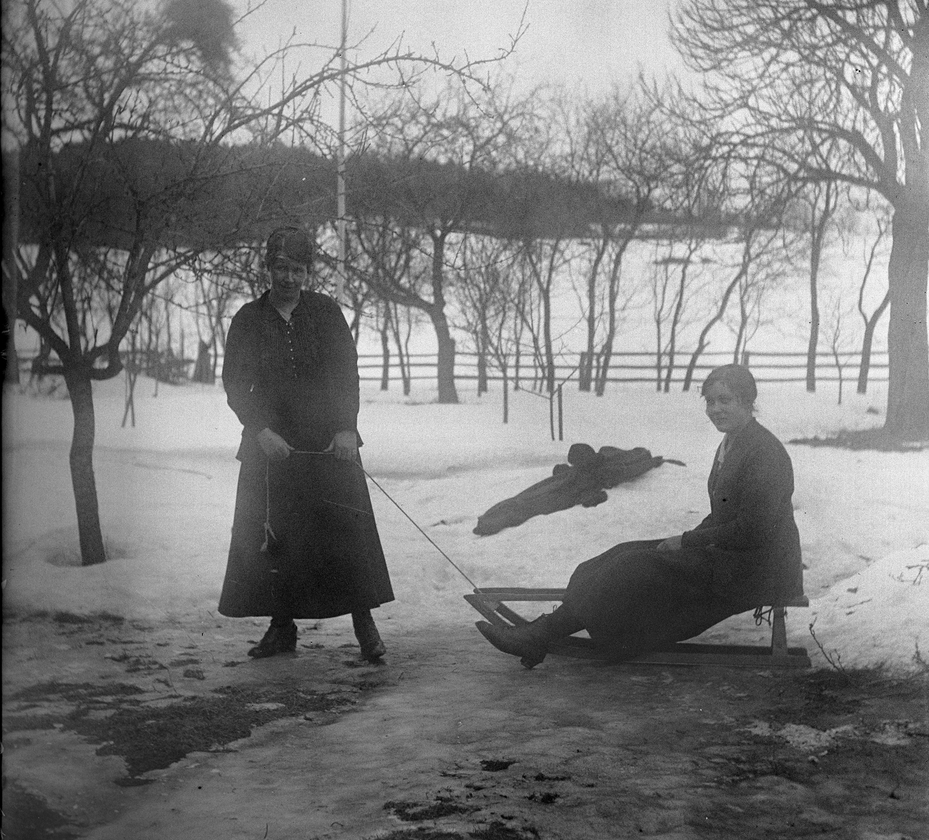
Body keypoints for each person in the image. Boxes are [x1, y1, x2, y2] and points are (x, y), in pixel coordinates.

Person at [475, 364, 803, 668]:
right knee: (622, 553)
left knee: (632, 568)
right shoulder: (733, 443)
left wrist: (690, 541)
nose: (715, 409)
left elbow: (755, 528)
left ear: (748, 401)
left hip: (760, 567)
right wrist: (690, 540)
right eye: (710, 401)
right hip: (735, 553)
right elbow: (726, 514)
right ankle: (544, 631)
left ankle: (543, 636)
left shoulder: (764, 452)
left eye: (725, 400)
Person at [219, 226, 394, 661]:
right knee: (276, 538)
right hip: (271, 446)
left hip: (329, 443)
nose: (290, 278)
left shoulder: (327, 313)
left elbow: (346, 375)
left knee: (345, 534)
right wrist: (260, 431)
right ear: (267, 267)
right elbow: (236, 384)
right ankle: (281, 629)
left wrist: (346, 429)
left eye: (298, 269)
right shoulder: (248, 319)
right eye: (281, 267)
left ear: (307, 271)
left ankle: (364, 625)